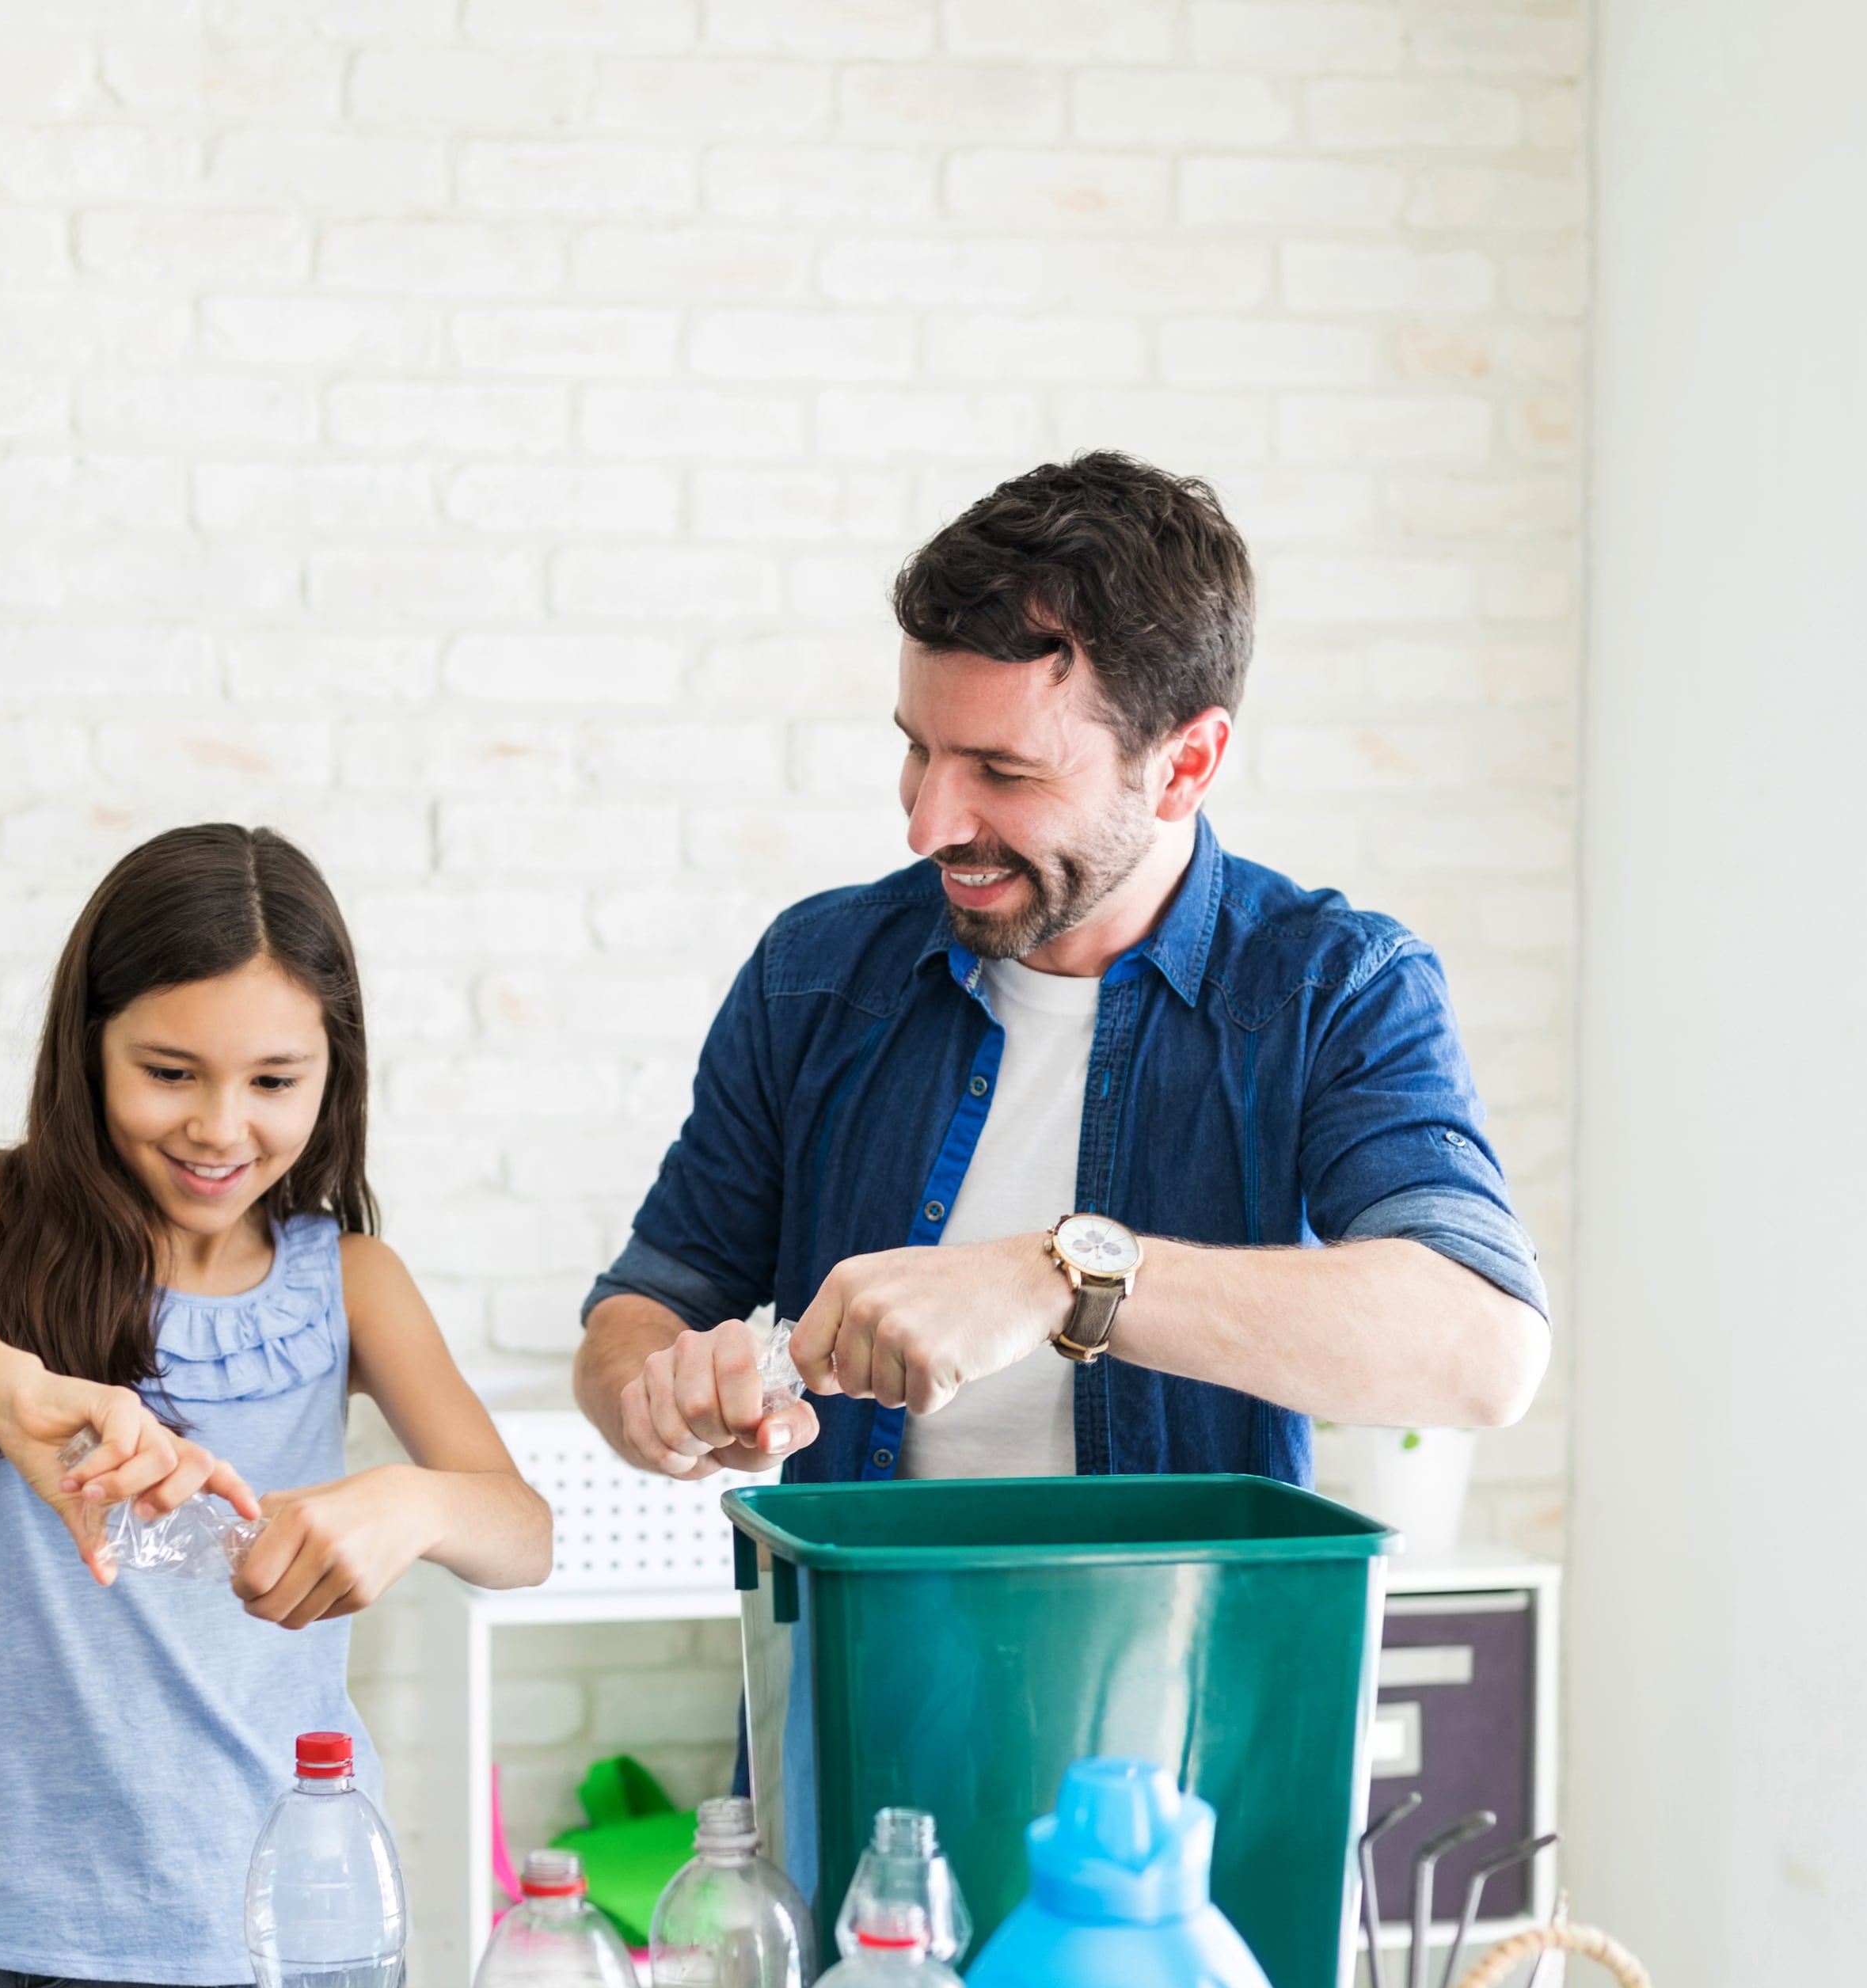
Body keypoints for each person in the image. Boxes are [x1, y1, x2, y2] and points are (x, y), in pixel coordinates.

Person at [0, 823, 551, 1988]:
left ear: (334, 1075)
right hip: (60, 1965)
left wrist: (412, 1503)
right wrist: (0, 1382)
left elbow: (523, 1535)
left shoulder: (350, 1281)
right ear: (89, 1046)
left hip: (317, 1945)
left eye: (274, 1080)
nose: (220, 1126)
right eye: (169, 1071)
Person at [578, 453, 1549, 1488]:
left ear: (1184, 765)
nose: (927, 825)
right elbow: (644, 1307)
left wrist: (1059, 1279)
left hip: (1187, 1604)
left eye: (1004, 771)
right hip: (859, 1602)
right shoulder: (813, 973)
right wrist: (664, 1395)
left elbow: (1485, 1350)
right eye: (919, 750)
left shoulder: (1334, 989)